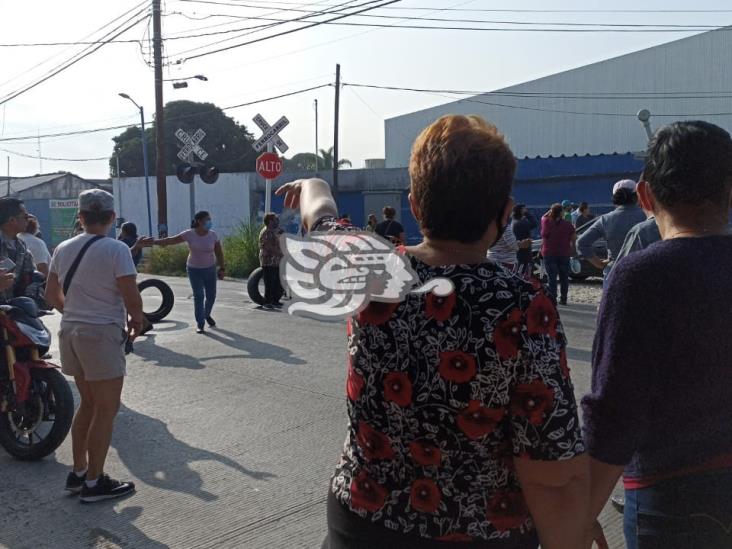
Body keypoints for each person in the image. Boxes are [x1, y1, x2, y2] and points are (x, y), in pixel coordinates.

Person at [278, 115, 589, 549]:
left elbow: (321, 218)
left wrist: (313, 185)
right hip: (483, 531)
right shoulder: (522, 303)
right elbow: (549, 464)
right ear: (503, 212)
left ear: (416, 206)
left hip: (363, 519)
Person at [583, 120, 732, 549]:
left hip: (671, 499)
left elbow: (614, 411)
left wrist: (580, 512)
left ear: (647, 196)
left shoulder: (640, 276)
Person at [44, 189, 143, 503]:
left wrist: (74, 313)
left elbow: (50, 293)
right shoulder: (117, 249)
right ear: (112, 218)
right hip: (100, 334)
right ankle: (94, 482)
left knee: (87, 403)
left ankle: (78, 472)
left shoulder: (62, 247)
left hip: (70, 331)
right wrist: (136, 321)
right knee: (106, 408)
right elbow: (130, 295)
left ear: (81, 217)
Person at [150, 211, 225, 333]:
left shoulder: (213, 235)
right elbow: (170, 240)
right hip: (194, 269)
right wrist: (153, 242)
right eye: (207, 219)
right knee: (199, 295)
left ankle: (206, 314)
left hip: (210, 269)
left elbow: (219, 253)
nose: (210, 222)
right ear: (199, 221)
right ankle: (200, 323)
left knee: (211, 296)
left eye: (210, 219)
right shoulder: (189, 234)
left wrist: (222, 268)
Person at [576, 179, 646, 284]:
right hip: (643, 273)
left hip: (614, 274)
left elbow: (582, 243)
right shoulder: (648, 216)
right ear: (637, 195)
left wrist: (599, 263)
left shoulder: (606, 219)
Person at [0, 198, 37, 301]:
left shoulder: (21, 246)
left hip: (14, 311)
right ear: (12, 220)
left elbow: (31, 274)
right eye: (25, 217)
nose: (28, 220)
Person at [541, 204, 576, 306]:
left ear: (551, 212)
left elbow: (543, 216)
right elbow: (574, 238)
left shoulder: (546, 222)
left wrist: (550, 211)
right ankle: (563, 299)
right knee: (564, 278)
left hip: (549, 253)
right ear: (562, 213)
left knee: (552, 278)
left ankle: (553, 299)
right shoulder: (568, 225)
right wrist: (573, 248)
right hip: (564, 253)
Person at [259, 213, 284, 310]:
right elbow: (270, 247)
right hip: (268, 261)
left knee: (278, 282)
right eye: (275, 219)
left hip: (277, 261)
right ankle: (268, 302)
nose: (277, 221)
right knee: (269, 282)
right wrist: (282, 253)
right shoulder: (266, 232)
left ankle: (275, 301)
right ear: (270, 222)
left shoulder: (276, 231)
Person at [511, 204, 538, 278]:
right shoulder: (521, 222)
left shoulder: (514, 221)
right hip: (524, 250)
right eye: (524, 209)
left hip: (519, 249)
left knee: (520, 269)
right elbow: (534, 223)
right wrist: (527, 213)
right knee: (527, 269)